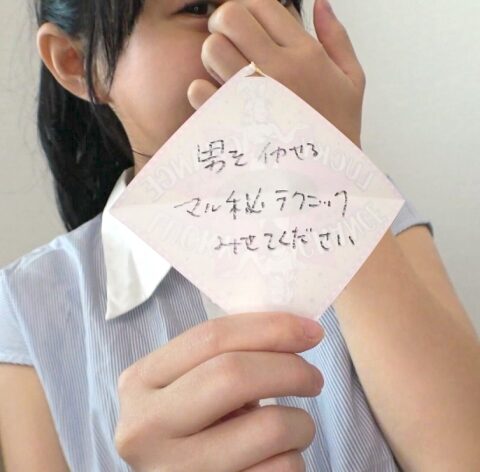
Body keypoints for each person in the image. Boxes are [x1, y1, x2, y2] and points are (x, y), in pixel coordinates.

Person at [1, 0, 479, 470]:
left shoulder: (370, 212)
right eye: (197, 7)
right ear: (76, 61)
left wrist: (333, 167)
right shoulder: (28, 307)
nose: (249, 29)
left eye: (278, 3)